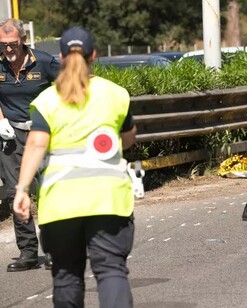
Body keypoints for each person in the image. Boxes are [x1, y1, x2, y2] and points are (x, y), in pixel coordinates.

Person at [13, 27, 137, 307]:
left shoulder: (48, 99)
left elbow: (35, 145)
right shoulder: (115, 94)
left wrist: (21, 190)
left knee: (67, 276)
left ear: (61, 56)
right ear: (94, 55)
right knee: (111, 271)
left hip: (61, 205)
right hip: (109, 201)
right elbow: (128, 139)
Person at [0, 18, 60, 271]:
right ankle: (27, 252)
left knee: (47, 192)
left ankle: (56, 249)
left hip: (42, 134)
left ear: (23, 40)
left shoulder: (44, 62)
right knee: (16, 192)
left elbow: (67, 89)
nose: (8, 50)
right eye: (3, 45)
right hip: (10, 137)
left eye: (13, 44)